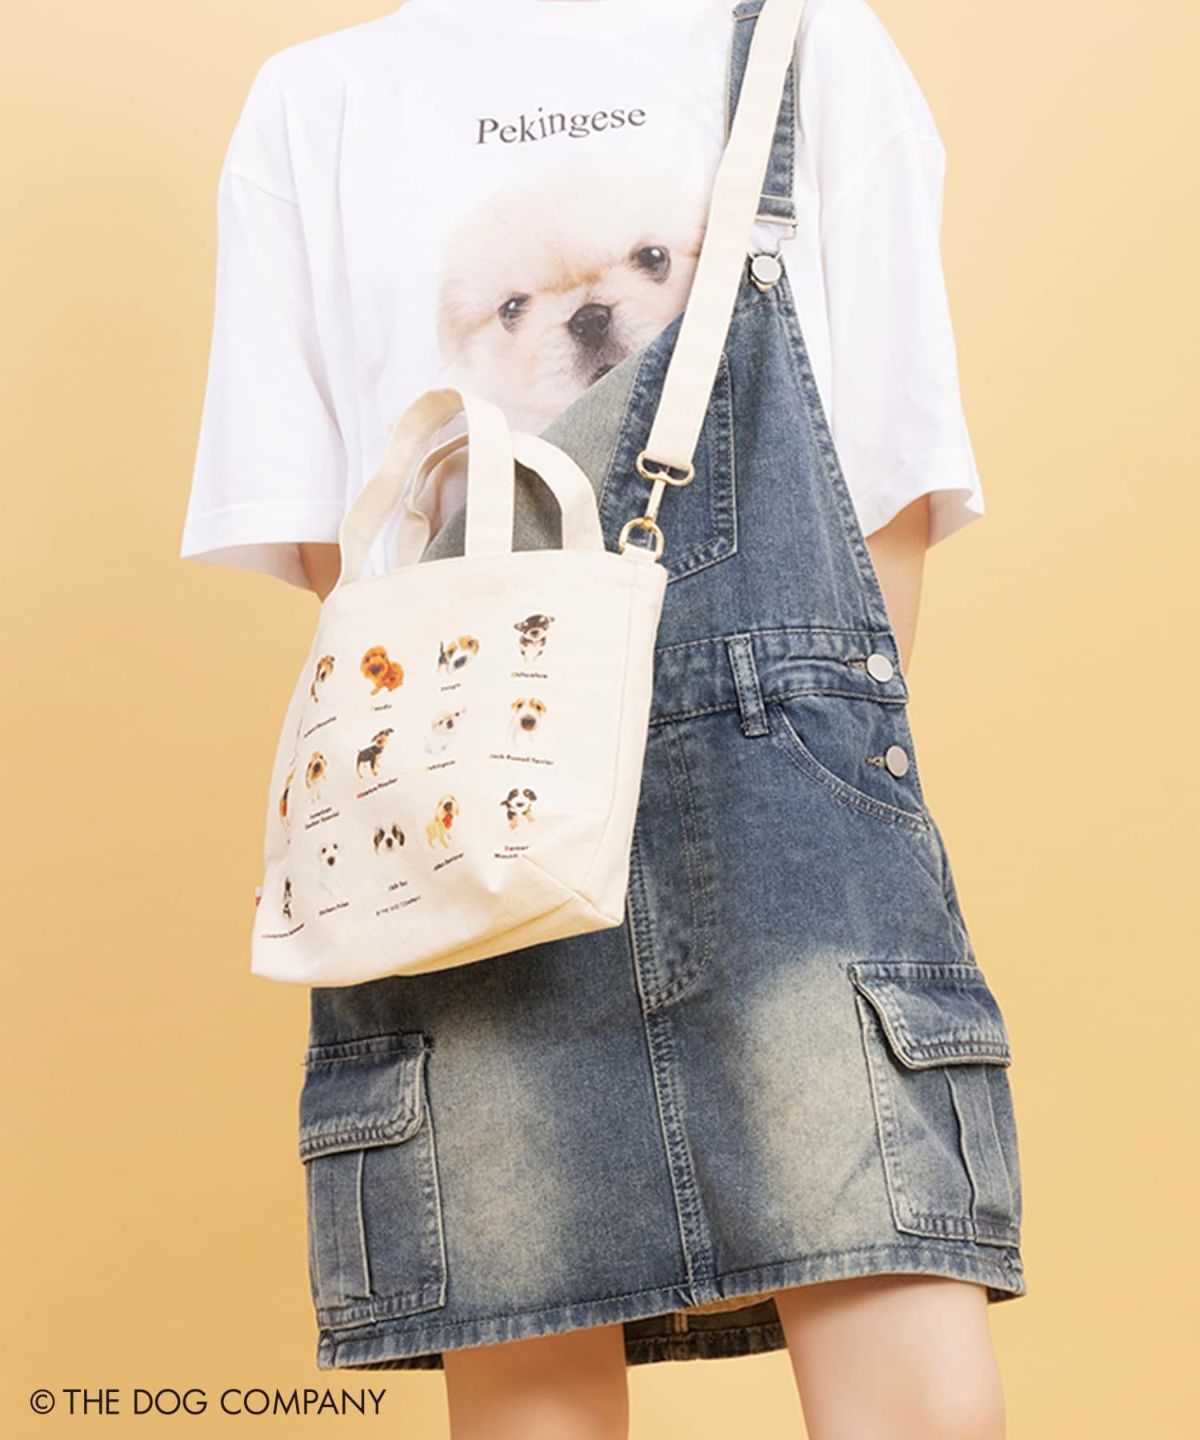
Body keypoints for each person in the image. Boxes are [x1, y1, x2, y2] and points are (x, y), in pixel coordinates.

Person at [180, 2, 1025, 1436]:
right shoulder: (315, 101)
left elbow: (890, 479)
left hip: (785, 788)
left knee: (906, 1353)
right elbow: (340, 539)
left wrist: (825, 758)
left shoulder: (807, 37)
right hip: (468, 803)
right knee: (527, 1370)